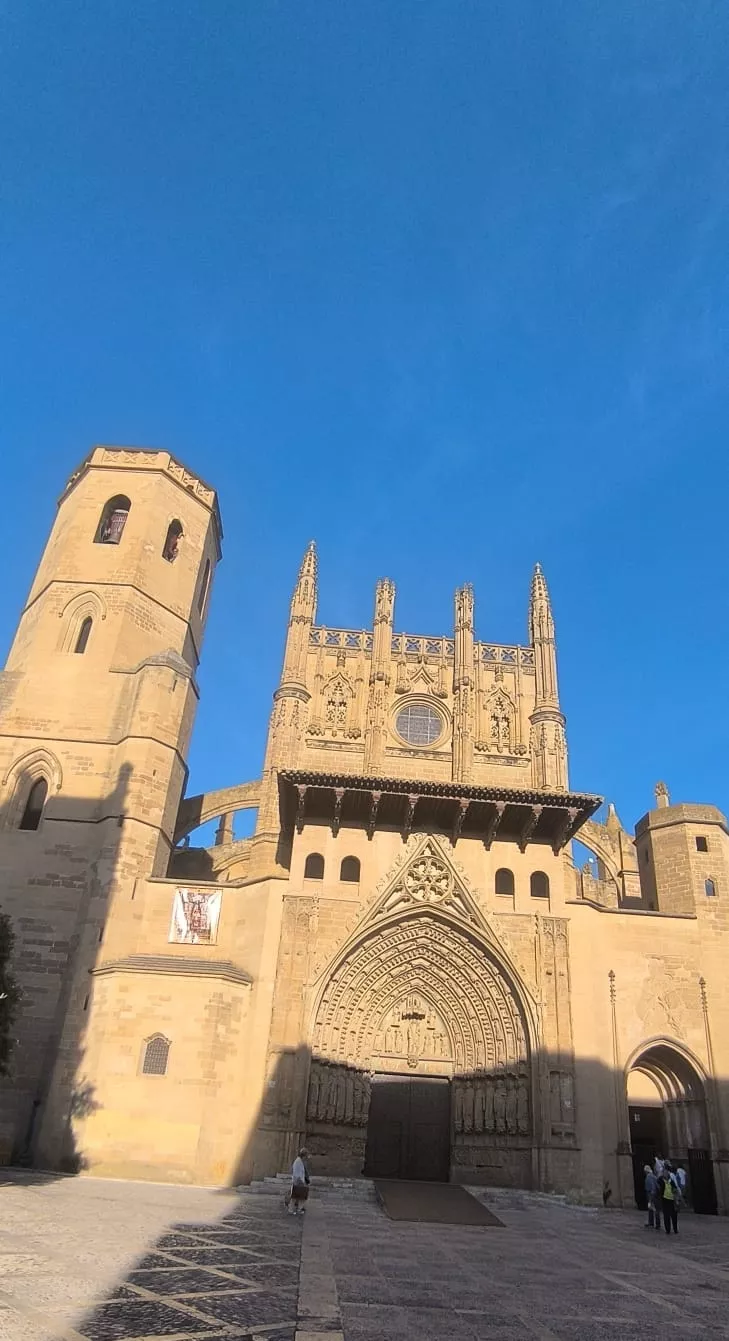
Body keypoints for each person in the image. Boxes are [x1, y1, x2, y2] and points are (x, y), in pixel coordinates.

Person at [286, 1147, 310, 1216]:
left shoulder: (300, 1161)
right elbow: (297, 1173)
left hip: (299, 1181)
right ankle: (292, 1210)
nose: (306, 1158)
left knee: (300, 1197)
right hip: (298, 1182)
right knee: (296, 1197)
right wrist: (301, 1182)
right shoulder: (298, 1162)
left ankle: (298, 1209)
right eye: (306, 1156)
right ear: (304, 1155)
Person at [659, 1160, 680, 1234]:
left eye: (666, 1173)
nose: (666, 1174)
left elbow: (675, 1189)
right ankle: (668, 1229)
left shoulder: (671, 1181)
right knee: (666, 1215)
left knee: (674, 1215)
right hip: (665, 1199)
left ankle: (675, 1229)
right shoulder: (661, 1181)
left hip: (672, 1199)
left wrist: (676, 1199)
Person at [644, 1164, 661, 1231]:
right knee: (651, 1208)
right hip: (655, 1194)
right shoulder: (654, 1176)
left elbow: (652, 1187)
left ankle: (657, 1224)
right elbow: (657, 1186)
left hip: (651, 1194)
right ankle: (651, 1222)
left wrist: (651, 1196)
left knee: (654, 1209)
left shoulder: (649, 1177)